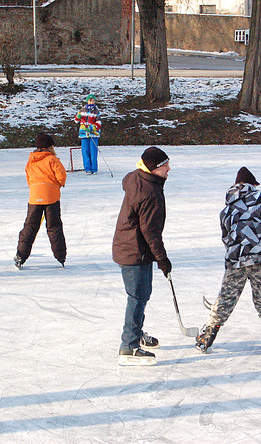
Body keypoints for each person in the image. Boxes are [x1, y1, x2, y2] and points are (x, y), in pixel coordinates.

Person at [196, 167, 261, 352]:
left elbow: (225, 236)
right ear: (252, 184)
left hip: (237, 258)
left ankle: (208, 334)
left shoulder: (227, 209)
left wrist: (235, 252)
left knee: (228, 296)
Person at [112, 147, 172, 366]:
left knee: (141, 295)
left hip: (132, 247)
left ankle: (136, 332)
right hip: (134, 250)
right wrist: (162, 259)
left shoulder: (137, 177)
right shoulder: (149, 192)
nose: (169, 169)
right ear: (154, 169)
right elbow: (151, 232)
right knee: (137, 297)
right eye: (165, 165)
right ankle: (129, 345)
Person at [14, 132, 67, 270]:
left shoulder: (31, 160)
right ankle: (60, 255)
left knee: (30, 227)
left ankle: (20, 256)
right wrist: (58, 184)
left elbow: (29, 178)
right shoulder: (52, 159)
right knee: (54, 226)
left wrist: (36, 189)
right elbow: (61, 176)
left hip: (35, 197)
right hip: (51, 197)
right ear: (50, 147)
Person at [74, 93, 101, 175]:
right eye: (90, 100)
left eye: (93, 100)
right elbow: (76, 121)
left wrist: (91, 128)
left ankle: (94, 169)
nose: (92, 102)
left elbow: (99, 123)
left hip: (93, 134)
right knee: (85, 151)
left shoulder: (96, 112)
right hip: (83, 134)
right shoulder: (82, 111)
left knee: (93, 152)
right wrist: (77, 117)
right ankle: (87, 168)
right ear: (87, 101)